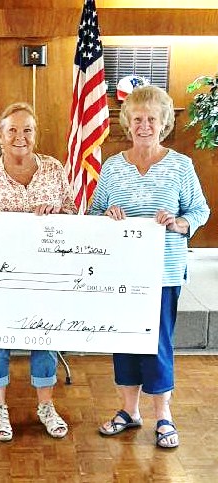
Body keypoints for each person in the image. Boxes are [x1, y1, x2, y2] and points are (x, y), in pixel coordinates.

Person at [89, 85, 210, 449]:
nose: (144, 126)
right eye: (137, 119)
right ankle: (129, 412)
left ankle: (163, 415)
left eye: (151, 119)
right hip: (121, 273)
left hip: (163, 271)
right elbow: (94, 213)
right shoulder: (112, 167)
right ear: (127, 123)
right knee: (124, 341)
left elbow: (200, 211)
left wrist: (177, 223)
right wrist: (106, 215)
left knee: (156, 343)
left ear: (164, 124)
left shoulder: (180, 165)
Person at [0, 102, 77, 441]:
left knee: (45, 340)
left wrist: (57, 211)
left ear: (35, 135)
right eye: (12, 130)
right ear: (0, 135)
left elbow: (74, 215)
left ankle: (45, 406)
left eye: (27, 130)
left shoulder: (54, 169)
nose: (20, 137)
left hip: (46, 275)